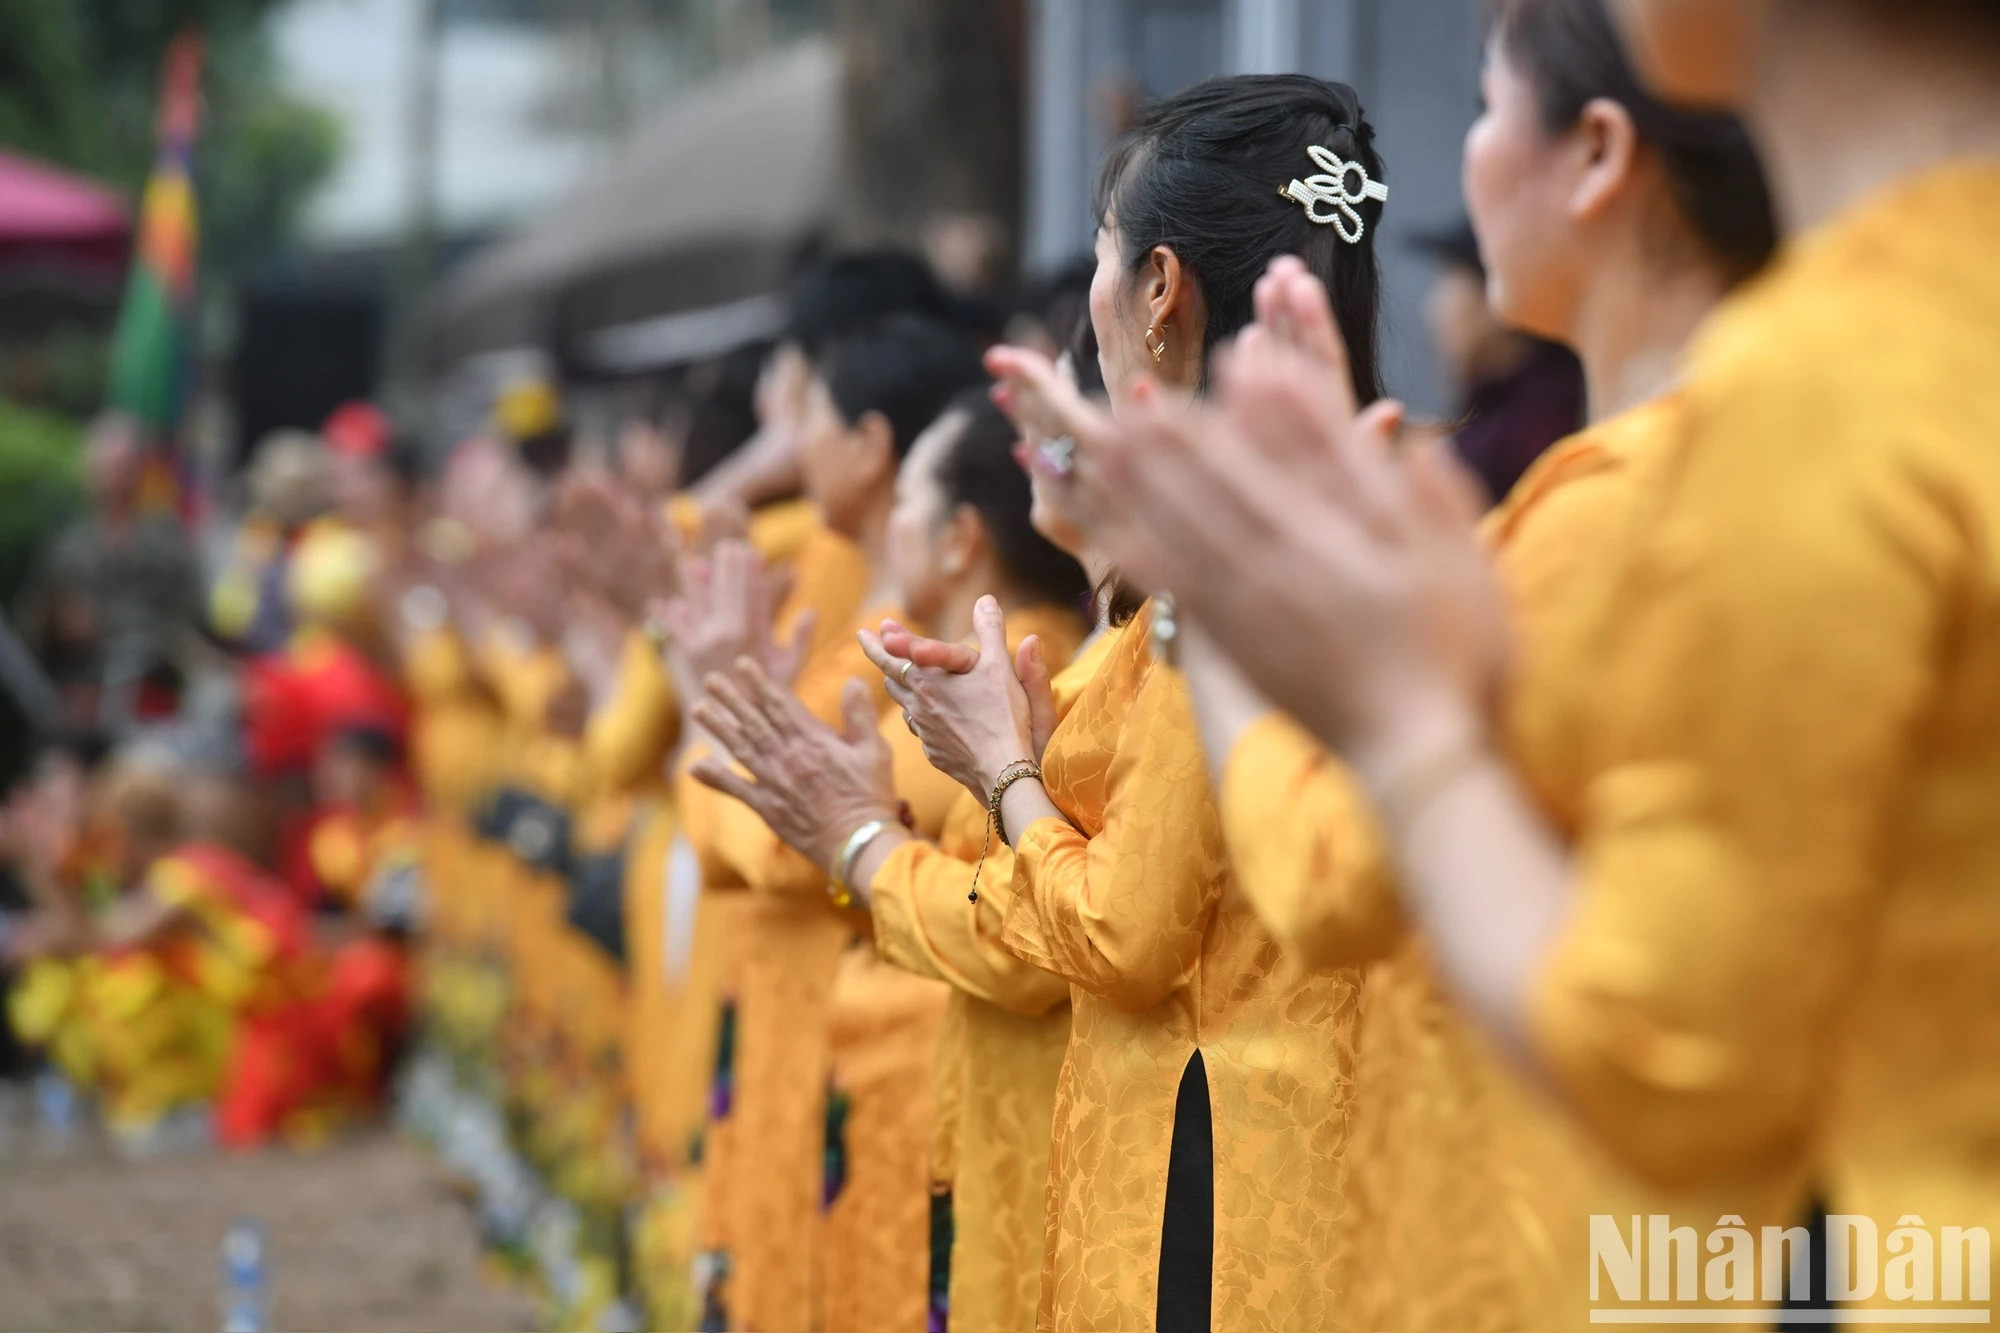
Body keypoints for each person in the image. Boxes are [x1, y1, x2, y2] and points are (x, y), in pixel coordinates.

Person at [1078, 0, 2000, 1296]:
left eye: (1486, 107)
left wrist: (1395, 718)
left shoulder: (1810, 395)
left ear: (1599, 153)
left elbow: (1653, 1043)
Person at [1145, 1, 1770, 1322]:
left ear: (1596, 154)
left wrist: (1212, 604)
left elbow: (1327, 873)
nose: (1463, 156)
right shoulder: (1682, 468)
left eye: (1487, 109)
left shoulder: (1607, 510)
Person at [861, 75, 1388, 1332]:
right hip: (1312, 1143)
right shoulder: (1357, 505)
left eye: (1102, 257)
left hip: (1216, 1173)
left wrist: (1006, 777)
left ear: (1159, 289)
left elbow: (1126, 933)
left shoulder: (1223, 562)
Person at [689, 390, 1090, 1332]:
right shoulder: (954, 667)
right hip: (888, 1068)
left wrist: (851, 836)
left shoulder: (1022, 669)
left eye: (910, 499)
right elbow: (754, 833)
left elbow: (769, 846)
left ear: (958, 538)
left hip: (936, 1085)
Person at [666, 313, 988, 1333]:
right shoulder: (866, 606)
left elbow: (763, 842)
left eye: (803, 412)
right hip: (816, 1018)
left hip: (884, 1048)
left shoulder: (953, 655)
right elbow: (749, 830)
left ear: (873, 448)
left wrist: (710, 702)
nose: (790, 450)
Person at [16, 411, 203, 732]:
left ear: (140, 470)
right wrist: (55, 620)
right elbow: (31, 624)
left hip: (150, 700)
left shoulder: (166, 542)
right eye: (103, 464)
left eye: (122, 465)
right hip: (76, 698)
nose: (111, 475)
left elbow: (187, 622)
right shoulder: (66, 543)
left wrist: (102, 622)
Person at [1413, 218, 1585, 505]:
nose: (1434, 309)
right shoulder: (1504, 408)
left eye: (1452, 283)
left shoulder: (1531, 429)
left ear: (1496, 298)